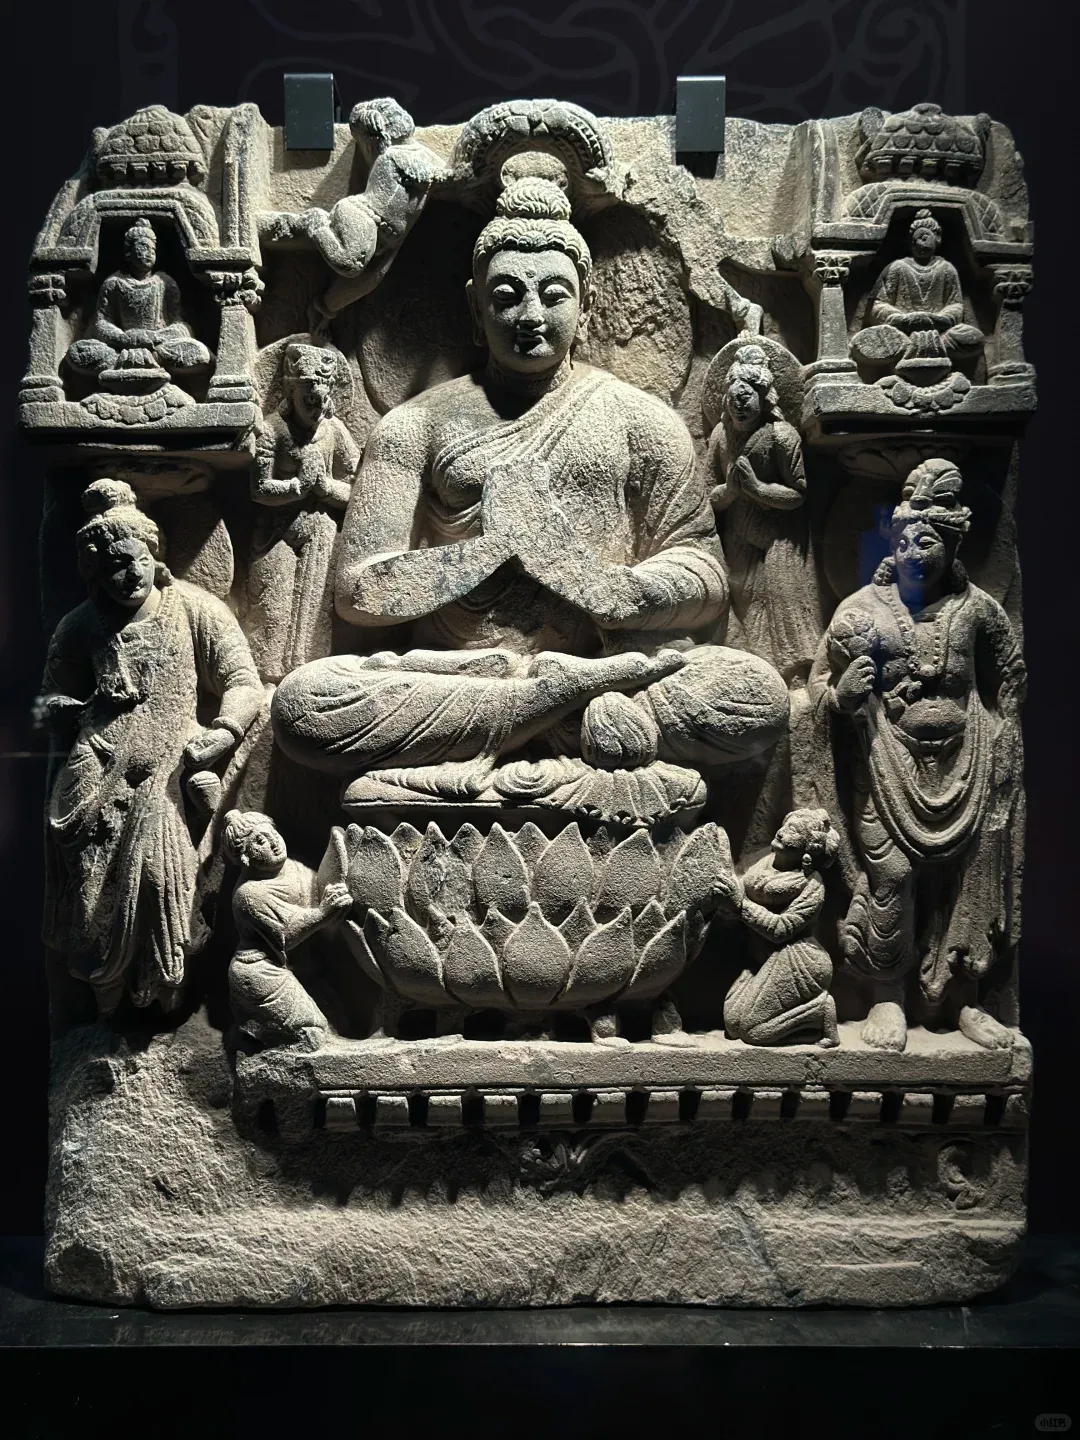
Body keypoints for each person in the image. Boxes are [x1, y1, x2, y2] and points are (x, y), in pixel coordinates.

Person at [271, 173, 789, 802]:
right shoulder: (415, 426)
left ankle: (545, 711)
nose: (531, 316)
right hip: (461, 674)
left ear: (587, 305)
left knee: (755, 694)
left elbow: (704, 577)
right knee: (307, 706)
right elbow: (358, 591)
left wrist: (605, 588)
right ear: (474, 306)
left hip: (601, 660)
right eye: (507, 295)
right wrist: (492, 547)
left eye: (554, 295)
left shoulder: (641, 420)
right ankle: (569, 716)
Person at [809, 459, 1024, 1053]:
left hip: (967, 764)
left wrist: (1002, 731)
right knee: (893, 875)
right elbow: (817, 685)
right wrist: (842, 695)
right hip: (886, 763)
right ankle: (886, 994)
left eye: (926, 541)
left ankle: (963, 997)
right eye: (902, 540)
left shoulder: (978, 609)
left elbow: (1011, 671)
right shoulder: (861, 611)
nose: (912, 552)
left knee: (967, 879)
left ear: (954, 546)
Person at [35, 480, 264, 1014]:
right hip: (99, 760)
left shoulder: (195, 609)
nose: (131, 575)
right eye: (115, 567)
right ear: (95, 572)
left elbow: (243, 681)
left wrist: (224, 731)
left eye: (138, 560)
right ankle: (105, 995)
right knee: (91, 886)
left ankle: (164, 987)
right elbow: (45, 705)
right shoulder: (81, 626)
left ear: (154, 554)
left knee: (162, 878)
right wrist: (84, 704)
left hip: (168, 763)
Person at [261, 98, 448, 323]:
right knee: (351, 264)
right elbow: (439, 176)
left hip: (384, 236)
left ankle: (323, 310)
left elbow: (450, 178)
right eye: (389, 114)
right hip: (362, 217)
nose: (400, 116)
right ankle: (315, 223)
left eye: (396, 110)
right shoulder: (393, 156)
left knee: (370, 279)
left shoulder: (423, 155)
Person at [707, 344, 821, 685]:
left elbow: (798, 493)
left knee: (783, 605)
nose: (739, 406)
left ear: (764, 397)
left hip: (780, 540)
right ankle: (751, 676)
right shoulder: (720, 437)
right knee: (744, 606)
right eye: (733, 398)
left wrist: (757, 489)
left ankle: (793, 676)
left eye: (747, 398)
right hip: (738, 538)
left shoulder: (782, 436)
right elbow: (706, 498)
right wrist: (729, 492)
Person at [246, 343, 361, 679]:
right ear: (290, 392)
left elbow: (361, 489)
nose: (316, 407)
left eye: (322, 399)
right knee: (272, 606)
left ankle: (306, 677)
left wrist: (325, 489)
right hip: (275, 529)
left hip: (320, 529)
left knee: (312, 613)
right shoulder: (273, 430)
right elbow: (258, 489)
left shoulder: (333, 430)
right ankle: (266, 678)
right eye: (308, 399)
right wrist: (297, 487)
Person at [223, 811, 352, 1051]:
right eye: (260, 841)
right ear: (245, 858)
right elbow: (286, 934)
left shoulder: (294, 868)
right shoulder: (250, 895)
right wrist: (324, 913)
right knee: (312, 1034)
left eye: (272, 832)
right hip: (262, 973)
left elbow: (318, 889)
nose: (273, 842)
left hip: (301, 965)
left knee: (340, 1021)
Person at [720, 808, 840, 1047]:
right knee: (733, 1025)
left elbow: (781, 929)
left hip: (800, 961)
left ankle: (821, 1010)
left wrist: (741, 906)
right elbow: (741, 885)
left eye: (793, 831)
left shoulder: (812, 886)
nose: (782, 832)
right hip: (765, 957)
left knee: (754, 1032)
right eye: (786, 825)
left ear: (808, 849)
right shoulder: (766, 861)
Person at [66, 217, 212, 384]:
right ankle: (134, 361)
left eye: (152, 249)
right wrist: (122, 338)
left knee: (200, 354)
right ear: (128, 252)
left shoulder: (165, 283)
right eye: (143, 247)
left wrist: (154, 337)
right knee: (77, 352)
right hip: (120, 347)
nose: (149, 252)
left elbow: (179, 324)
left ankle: (138, 362)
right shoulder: (113, 283)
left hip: (157, 347)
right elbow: (101, 323)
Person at [852, 209, 983, 377]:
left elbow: (956, 305)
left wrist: (942, 318)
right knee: (865, 341)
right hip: (902, 333)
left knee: (973, 338)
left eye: (924, 237)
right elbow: (877, 305)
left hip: (941, 333)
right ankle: (919, 348)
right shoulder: (897, 268)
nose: (919, 243)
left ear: (937, 238)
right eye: (914, 241)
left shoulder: (947, 269)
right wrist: (902, 319)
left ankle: (922, 348)